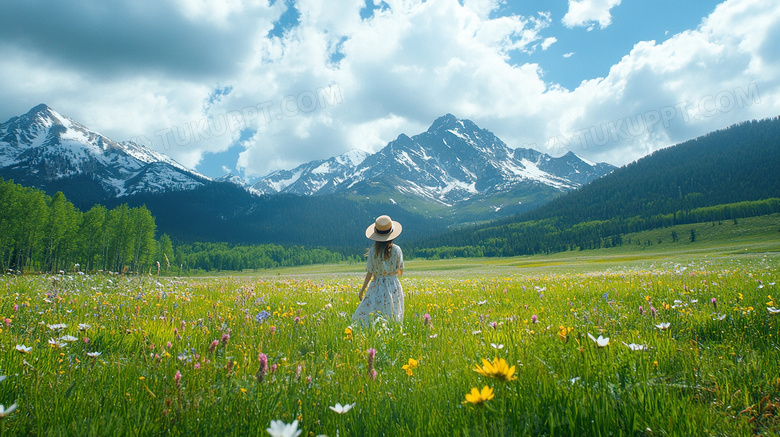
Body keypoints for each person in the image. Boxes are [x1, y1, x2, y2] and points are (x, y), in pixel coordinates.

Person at [351, 215, 405, 327]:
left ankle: (370, 332)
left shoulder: (372, 251)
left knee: (374, 311)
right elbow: (400, 271)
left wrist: (362, 289)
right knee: (393, 312)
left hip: (377, 285)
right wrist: (391, 273)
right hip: (393, 285)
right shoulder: (397, 250)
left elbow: (369, 272)